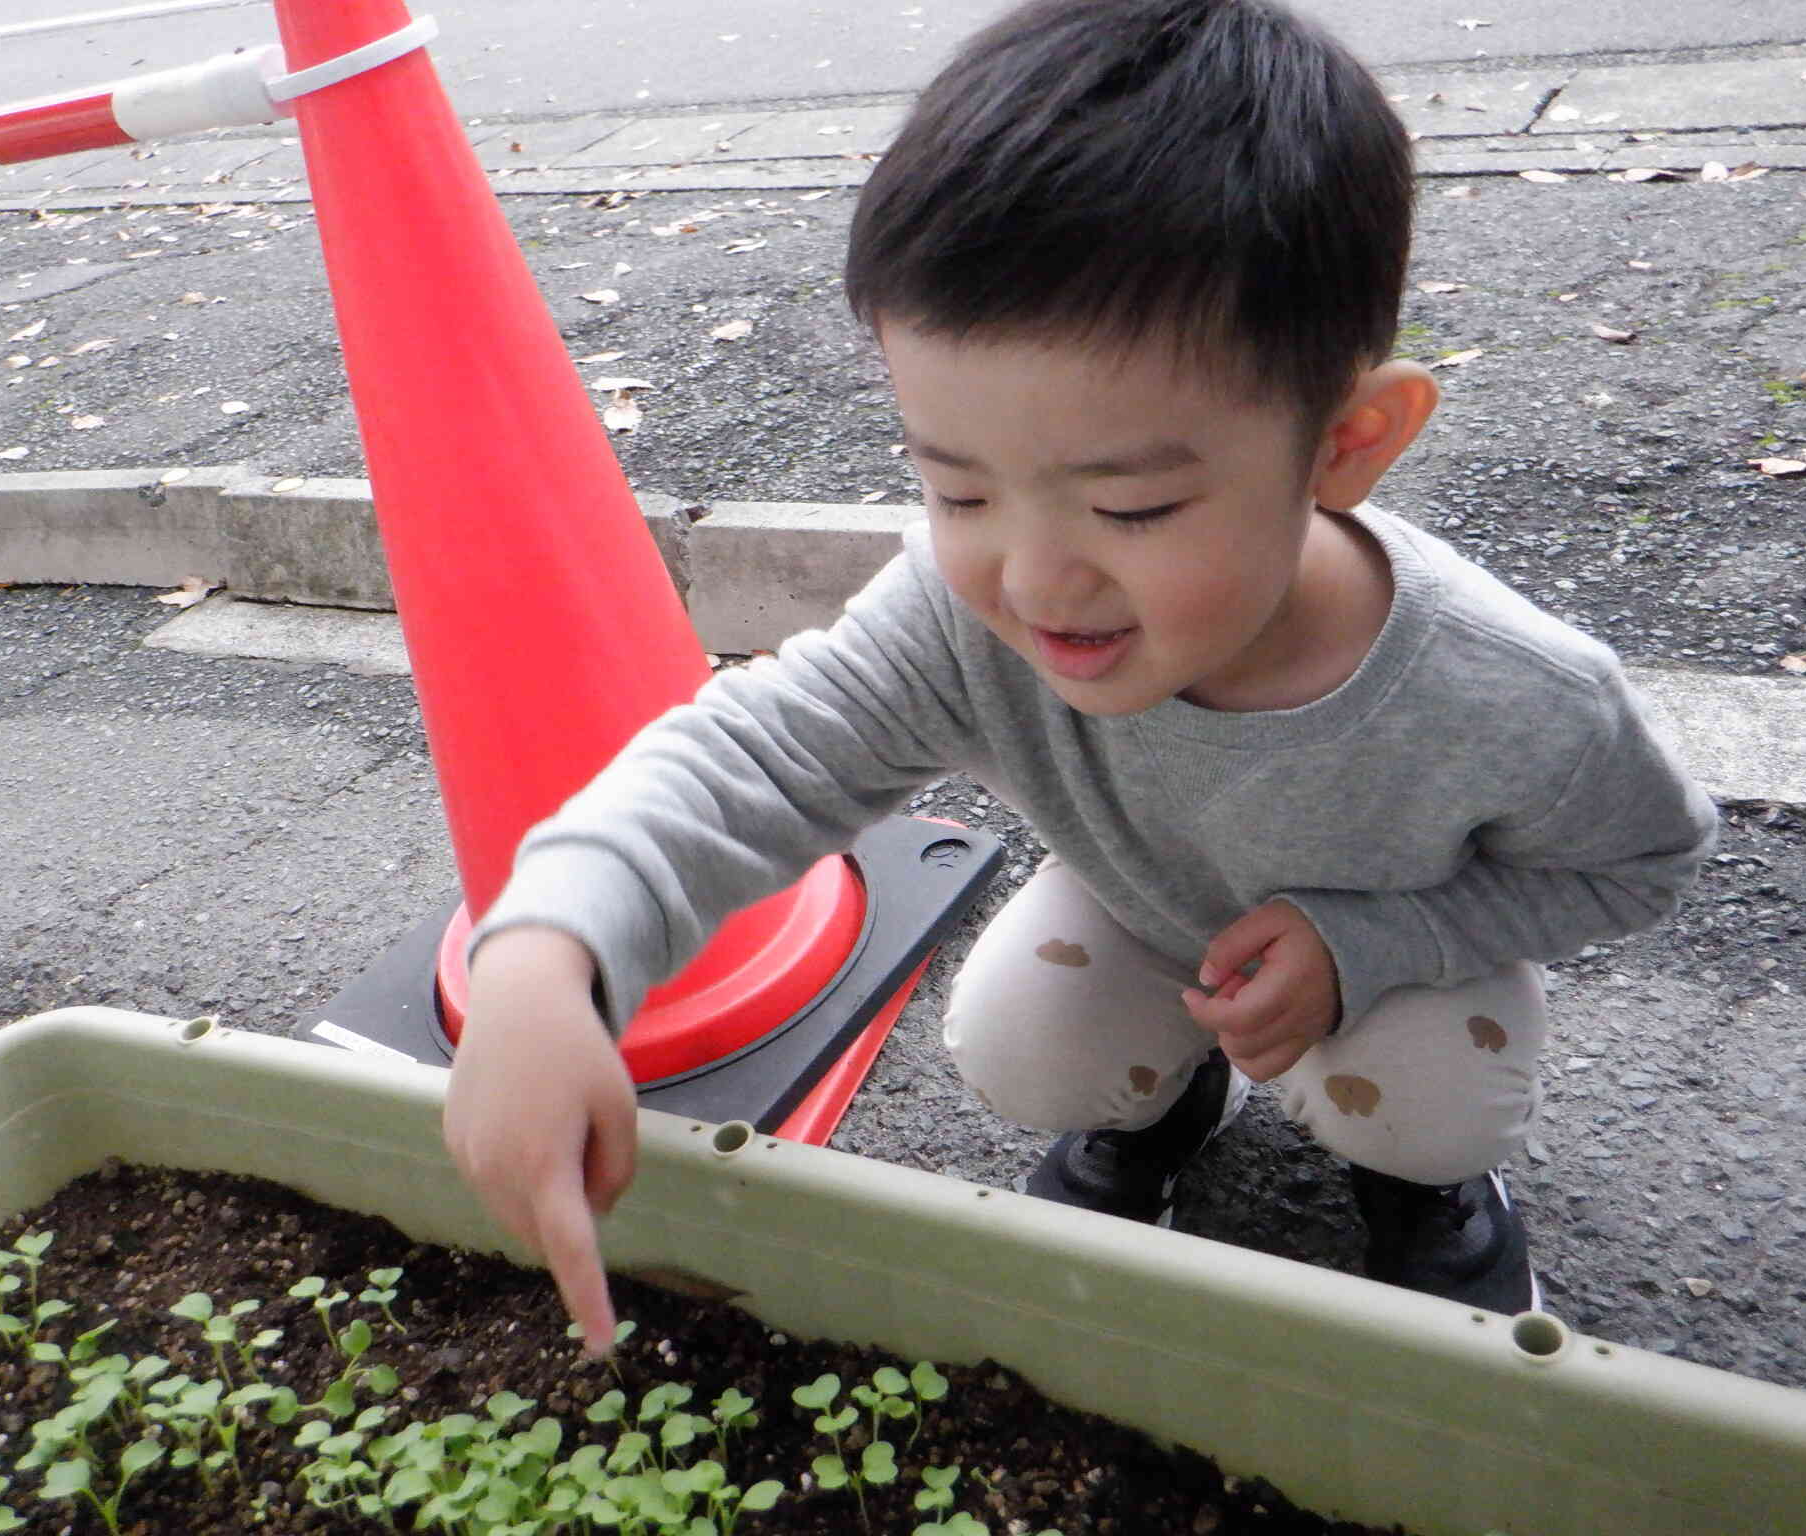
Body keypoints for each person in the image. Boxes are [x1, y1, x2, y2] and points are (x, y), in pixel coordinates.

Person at [444, 0, 1719, 1347]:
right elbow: (757, 756)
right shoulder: (959, 612)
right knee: (1021, 1047)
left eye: (1134, 511)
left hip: (1394, 960)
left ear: (1349, 440)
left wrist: (1376, 946)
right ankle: (1158, 1103)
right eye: (957, 487)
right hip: (1144, 909)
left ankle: (1422, 1185)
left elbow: (1638, 864)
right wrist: (549, 950)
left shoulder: (1506, 693)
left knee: (1428, 1099)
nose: (1035, 582)